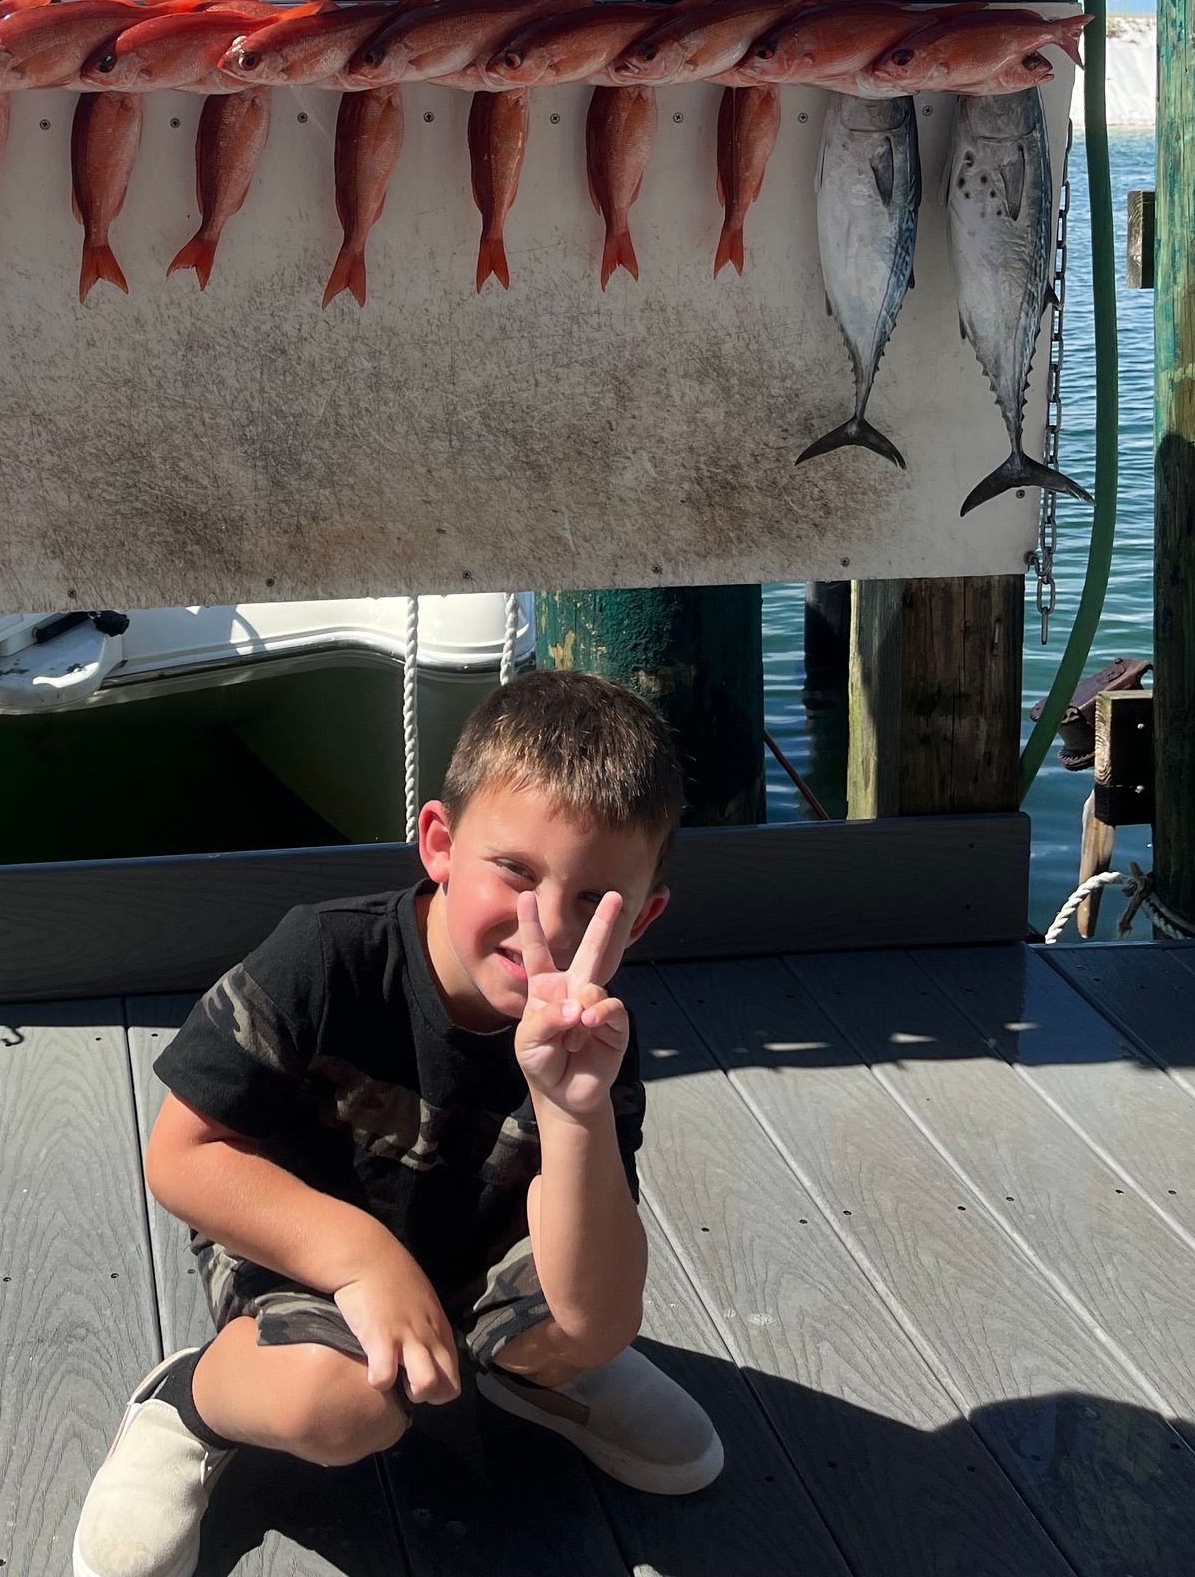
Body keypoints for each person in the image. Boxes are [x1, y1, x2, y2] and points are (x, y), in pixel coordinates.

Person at [72, 667, 723, 1577]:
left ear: (642, 920)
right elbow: (182, 1156)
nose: (546, 923)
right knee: (346, 1410)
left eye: (592, 901)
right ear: (439, 844)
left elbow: (603, 1307)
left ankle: (532, 1373)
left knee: (588, 1325)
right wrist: (360, 1257)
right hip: (305, 1256)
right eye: (516, 872)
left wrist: (574, 1112)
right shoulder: (327, 954)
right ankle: (188, 1402)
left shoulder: (594, 1035)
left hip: (481, 1252)